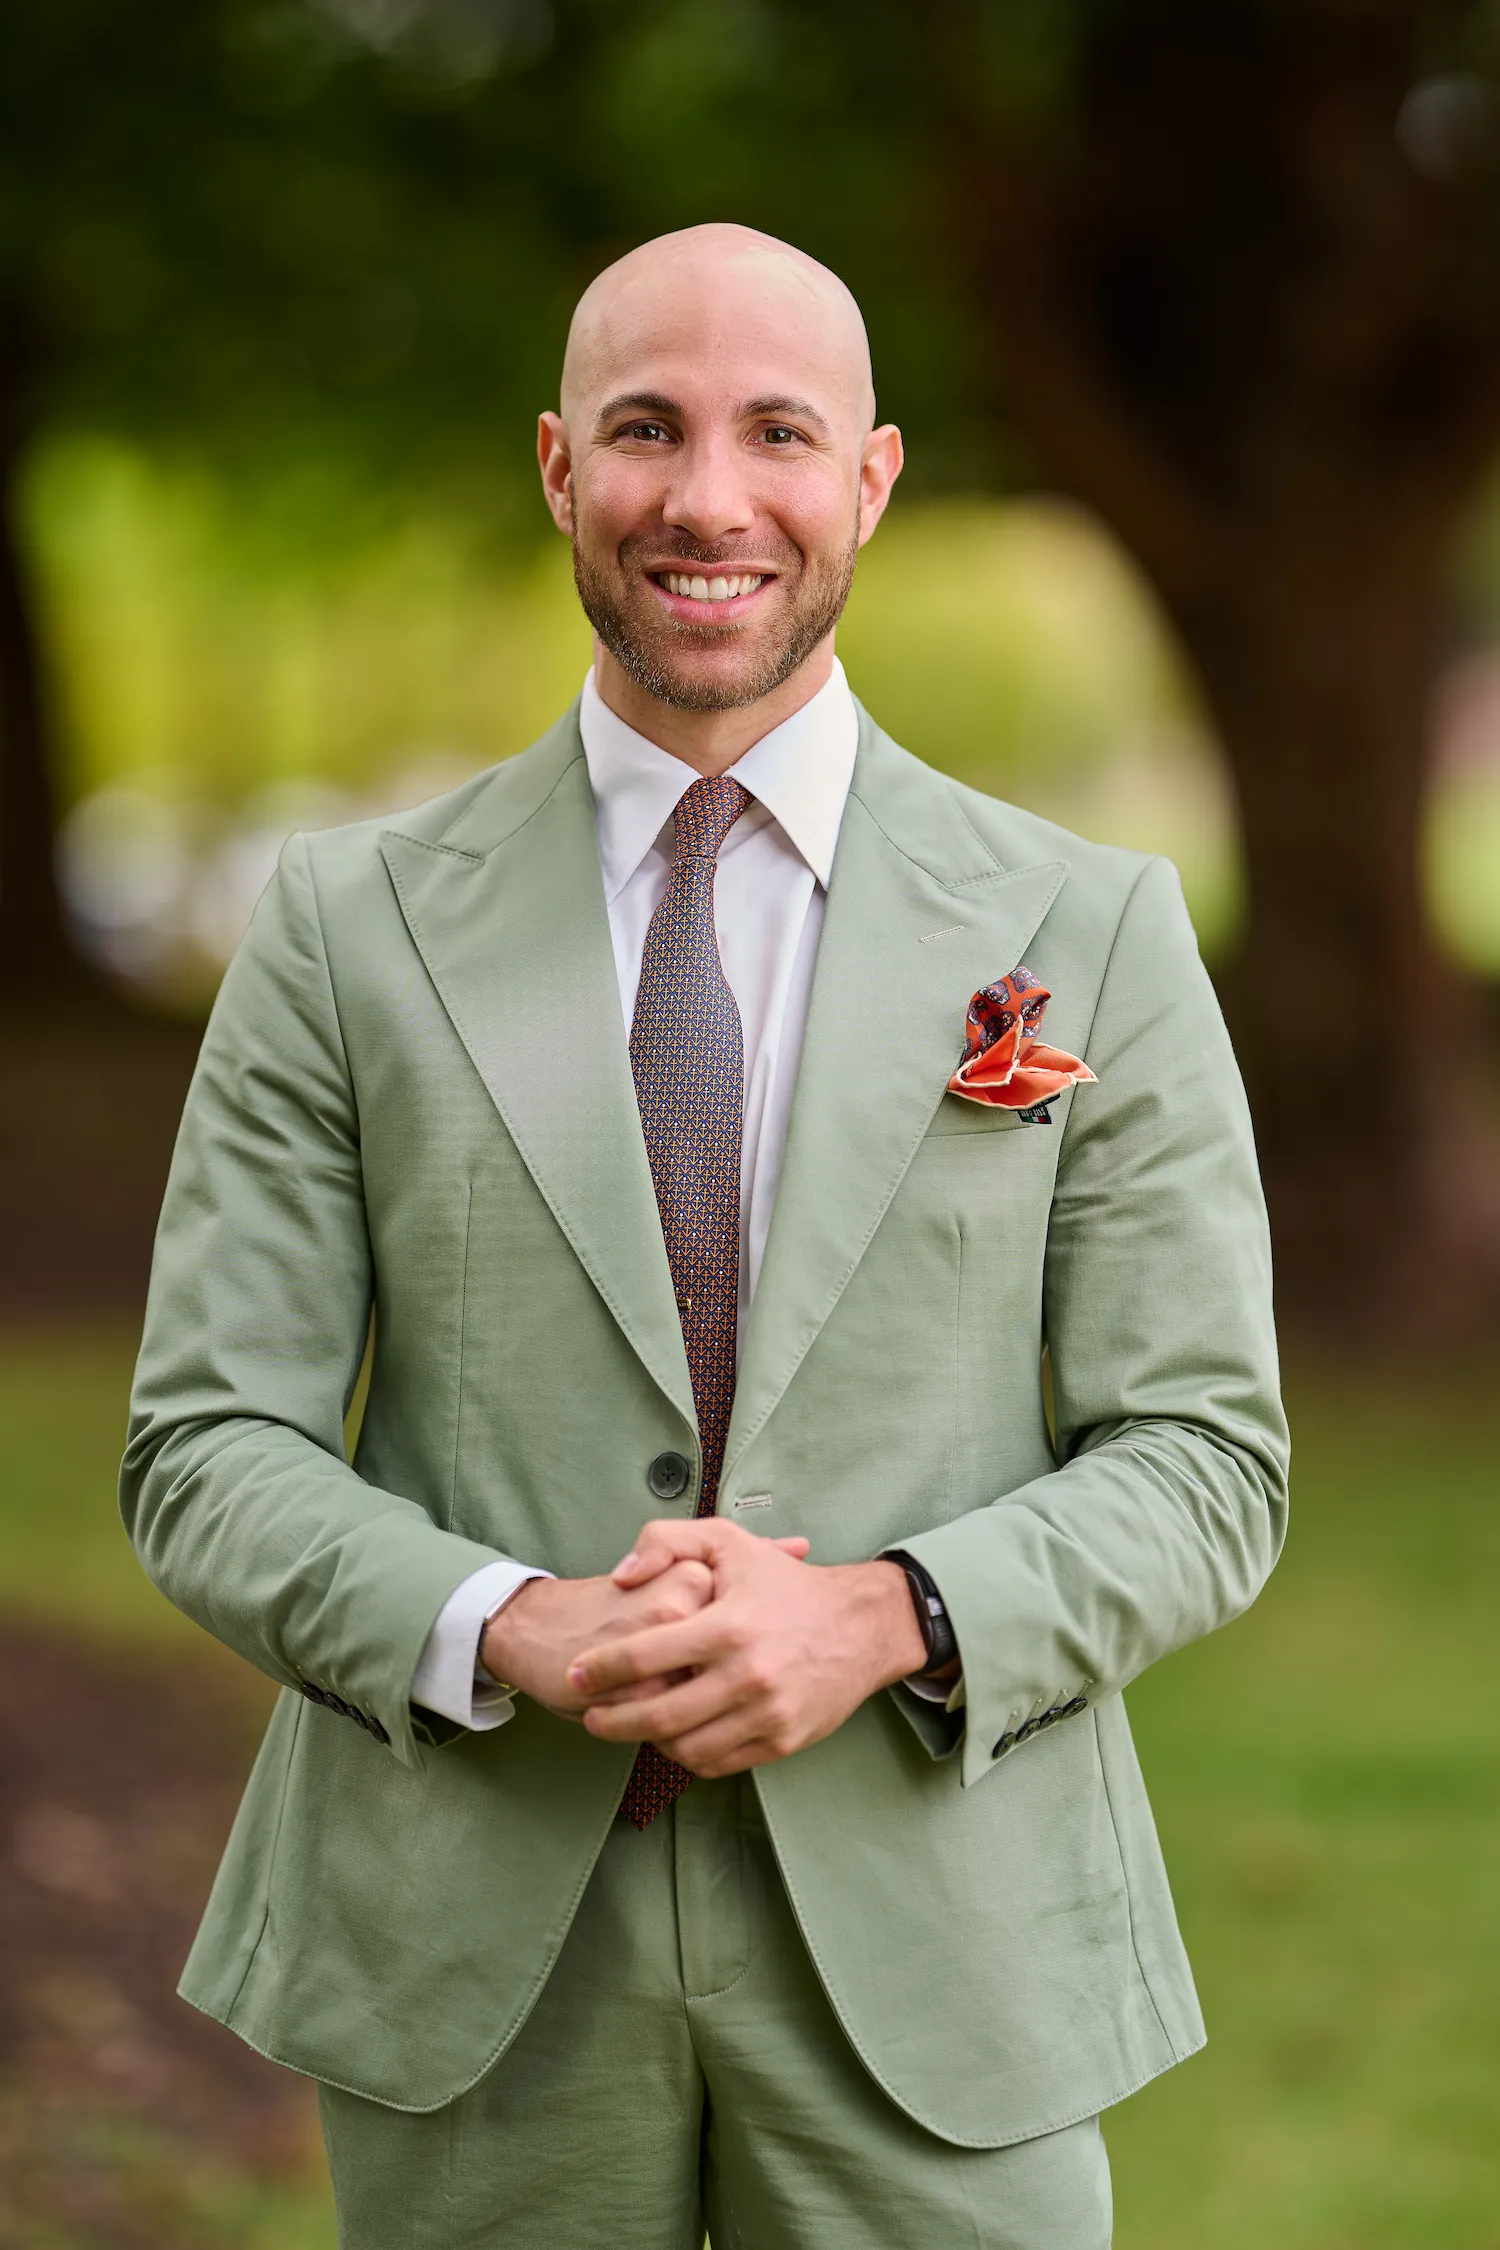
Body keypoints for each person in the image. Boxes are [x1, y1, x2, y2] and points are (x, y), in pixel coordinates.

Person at [122, 223, 1288, 2250]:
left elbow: (1209, 1461)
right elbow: (205, 1449)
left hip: (950, 1956)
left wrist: (885, 1613)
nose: (710, 497)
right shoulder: (339, 932)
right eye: (650, 430)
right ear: (565, 469)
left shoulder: (1086, 931)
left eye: (778, 431)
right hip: (473, 1973)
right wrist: (509, 1620)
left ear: (873, 479)